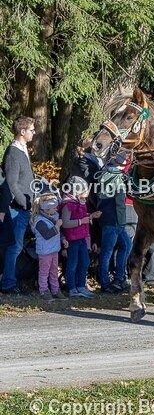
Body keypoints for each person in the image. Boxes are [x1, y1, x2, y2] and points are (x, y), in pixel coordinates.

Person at [1, 117, 36, 294]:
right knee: (13, 247)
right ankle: (8, 283)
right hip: (16, 209)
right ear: (22, 132)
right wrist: (25, 203)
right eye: (31, 130)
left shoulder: (22, 150)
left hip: (23, 207)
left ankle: (10, 280)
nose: (34, 133)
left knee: (16, 247)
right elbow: (12, 183)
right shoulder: (13, 153)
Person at [95, 151, 132, 293]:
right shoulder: (118, 178)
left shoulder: (103, 173)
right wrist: (122, 222)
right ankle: (105, 283)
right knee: (108, 252)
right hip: (115, 220)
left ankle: (119, 277)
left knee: (126, 245)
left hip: (106, 217)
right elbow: (120, 203)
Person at [60, 176, 100, 297]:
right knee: (72, 264)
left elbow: (82, 217)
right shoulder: (68, 205)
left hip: (81, 238)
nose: (86, 194)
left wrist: (91, 216)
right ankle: (72, 287)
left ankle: (81, 285)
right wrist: (81, 221)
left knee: (85, 261)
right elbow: (65, 223)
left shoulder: (80, 203)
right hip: (72, 239)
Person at [32, 195, 66, 301]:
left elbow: (58, 233)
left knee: (54, 271)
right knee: (44, 272)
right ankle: (44, 290)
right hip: (45, 251)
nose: (56, 209)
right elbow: (47, 235)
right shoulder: (39, 221)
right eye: (54, 207)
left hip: (54, 250)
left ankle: (55, 290)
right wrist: (57, 226)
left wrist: (63, 239)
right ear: (47, 209)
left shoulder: (54, 217)